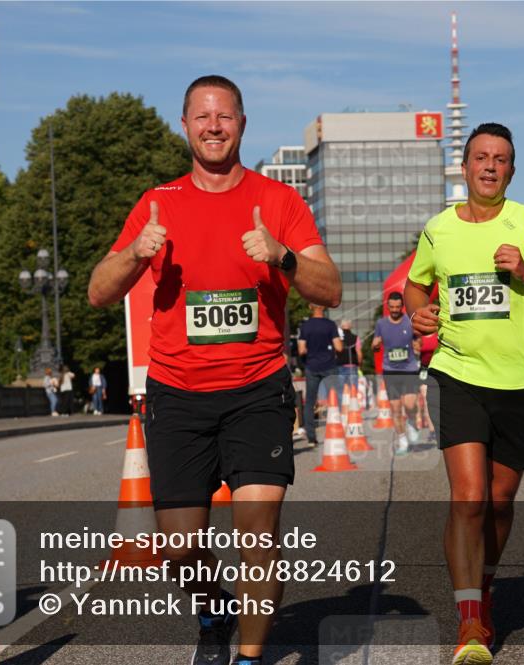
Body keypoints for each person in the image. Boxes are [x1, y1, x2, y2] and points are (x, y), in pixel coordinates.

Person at [87, 75, 340, 665]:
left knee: (257, 535)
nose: (213, 126)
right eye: (202, 117)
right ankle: (213, 607)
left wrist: (282, 256)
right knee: (178, 547)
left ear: (243, 124)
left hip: (257, 391)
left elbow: (329, 285)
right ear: (185, 127)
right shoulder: (158, 203)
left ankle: (249, 659)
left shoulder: (279, 202)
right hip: (177, 394)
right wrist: (134, 253)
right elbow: (100, 291)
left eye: (224, 116)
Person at [405, 122, 524, 664]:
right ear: (463, 168)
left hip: (522, 381)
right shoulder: (438, 229)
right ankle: (469, 625)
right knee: (468, 496)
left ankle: (483, 586)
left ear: (510, 169)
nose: (489, 166)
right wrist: (418, 310)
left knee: (499, 502)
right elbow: (417, 281)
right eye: (480, 157)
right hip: (457, 374)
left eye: (500, 159)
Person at [373, 292, 422, 454]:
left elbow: (418, 339)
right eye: (392, 307)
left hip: (409, 369)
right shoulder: (381, 323)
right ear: (387, 306)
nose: (394, 310)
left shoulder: (409, 321)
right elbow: (375, 345)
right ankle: (402, 440)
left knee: (409, 405)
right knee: (395, 409)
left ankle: (412, 423)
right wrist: (376, 345)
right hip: (390, 371)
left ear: (402, 306)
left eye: (397, 307)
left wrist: (417, 345)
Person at [298, 303, 343, 447]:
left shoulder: (305, 326)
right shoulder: (330, 325)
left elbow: (301, 350)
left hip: (312, 367)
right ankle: (339, 430)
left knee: (310, 403)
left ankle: (311, 438)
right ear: (323, 307)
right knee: (336, 400)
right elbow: (339, 347)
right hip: (329, 366)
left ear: (310, 307)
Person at [335, 318, 363, 393]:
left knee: (340, 391)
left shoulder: (337, 338)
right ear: (350, 327)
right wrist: (360, 364)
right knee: (353, 390)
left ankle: (342, 404)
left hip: (340, 366)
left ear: (341, 327)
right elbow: (359, 353)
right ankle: (353, 404)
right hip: (352, 366)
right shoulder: (356, 338)